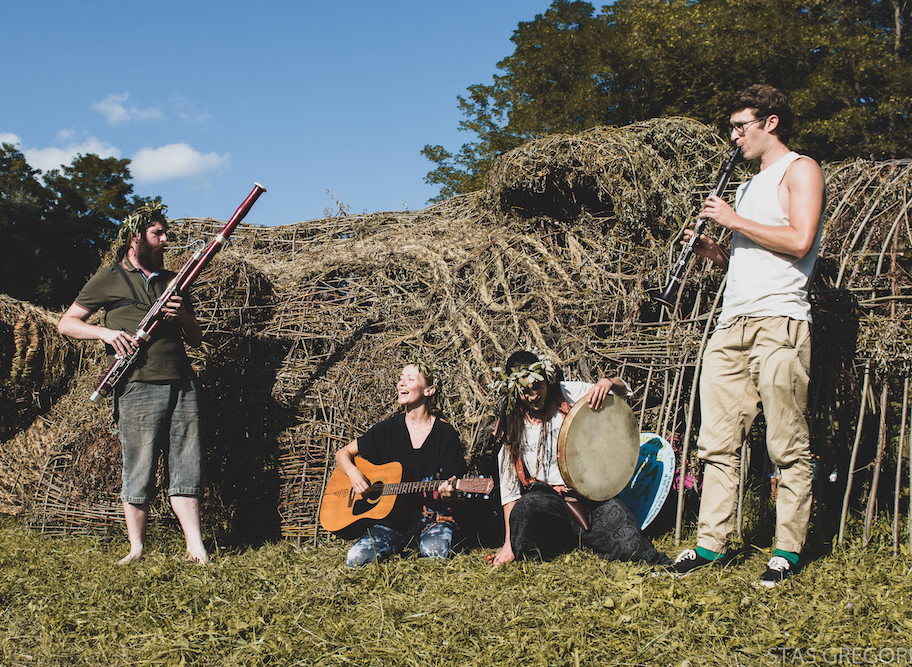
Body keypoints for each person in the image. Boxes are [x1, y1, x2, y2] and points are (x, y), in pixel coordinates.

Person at [671, 84, 826, 587]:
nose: (733, 135)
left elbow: (800, 240)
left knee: (786, 441)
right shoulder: (743, 185)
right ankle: (710, 545)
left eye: (742, 126)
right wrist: (710, 248)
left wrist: (735, 220)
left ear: (771, 122)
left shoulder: (800, 169)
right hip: (732, 321)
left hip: (779, 319)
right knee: (716, 441)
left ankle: (787, 550)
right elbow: (744, 259)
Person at [58, 200, 209, 565]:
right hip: (136, 383)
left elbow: (195, 337)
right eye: (157, 233)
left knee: (187, 463)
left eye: (165, 232)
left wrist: (183, 315)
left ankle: (196, 546)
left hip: (182, 382)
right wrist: (104, 334)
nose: (165, 239)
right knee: (139, 463)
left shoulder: (175, 279)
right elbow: (67, 323)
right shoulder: (108, 278)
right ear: (135, 236)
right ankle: (137, 548)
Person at [491, 350, 670, 566]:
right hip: (545, 499)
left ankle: (592, 538)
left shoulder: (566, 393)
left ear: (546, 380)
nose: (533, 395)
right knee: (524, 512)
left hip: (589, 494)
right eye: (525, 391)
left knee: (630, 543)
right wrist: (509, 542)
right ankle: (562, 543)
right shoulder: (512, 421)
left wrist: (607, 383)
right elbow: (509, 491)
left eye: (538, 386)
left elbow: (624, 391)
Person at [333, 360, 468, 567]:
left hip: (432, 520)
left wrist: (448, 495)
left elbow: (451, 485)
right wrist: (353, 473)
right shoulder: (387, 429)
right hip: (391, 521)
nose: (401, 384)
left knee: (436, 553)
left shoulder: (445, 433)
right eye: (400, 378)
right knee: (355, 559)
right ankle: (397, 544)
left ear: (429, 390)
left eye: (410, 379)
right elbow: (342, 454)